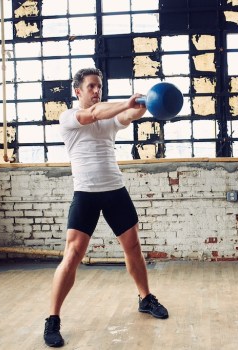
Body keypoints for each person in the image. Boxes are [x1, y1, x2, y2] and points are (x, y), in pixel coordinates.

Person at [43, 67, 169, 348]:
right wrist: (125, 103)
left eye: (99, 86)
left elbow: (127, 116)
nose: (96, 90)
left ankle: (145, 298)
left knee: (133, 247)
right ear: (78, 91)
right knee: (73, 254)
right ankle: (53, 318)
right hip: (86, 194)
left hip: (115, 191)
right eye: (91, 86)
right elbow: (94, 114)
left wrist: (145, 104)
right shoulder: (69, 117)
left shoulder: (109, 119)